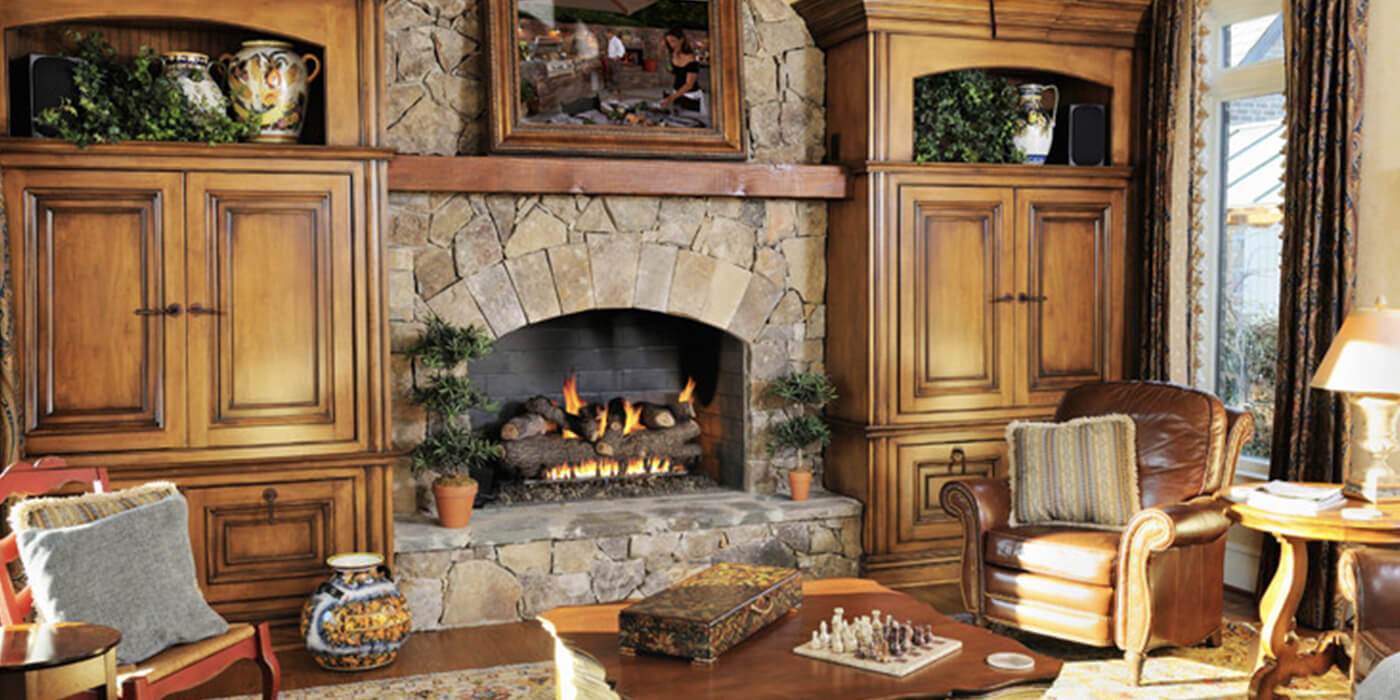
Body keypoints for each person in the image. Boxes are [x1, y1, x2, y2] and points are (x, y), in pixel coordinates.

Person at [659, 27, 702, 112]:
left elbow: (689, 85)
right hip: (677, 94)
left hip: (690, 97)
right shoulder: (673, 54)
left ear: (681, 40)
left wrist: (670, 98)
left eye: (673, 41)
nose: (671, 44)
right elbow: (670, 70)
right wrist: (662, 50)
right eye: (668, 42)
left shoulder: (691, 58)